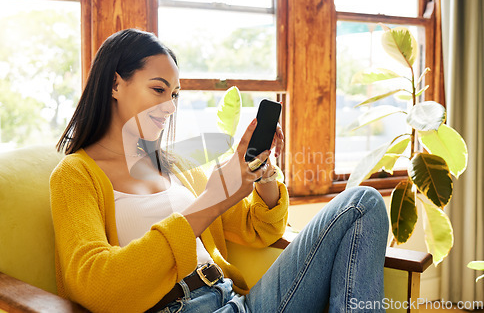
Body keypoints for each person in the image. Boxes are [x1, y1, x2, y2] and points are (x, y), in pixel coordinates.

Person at [50, 28, 389, 313]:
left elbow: (259, 230)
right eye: (158, 89)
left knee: (362, 202)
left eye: (175, 95)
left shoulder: (177, 165)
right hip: (179, 307)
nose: (169, 106)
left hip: (236, 301)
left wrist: (263, 175)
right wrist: (211, 200)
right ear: (114, 84)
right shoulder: (76, 175)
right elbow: (97, 284)